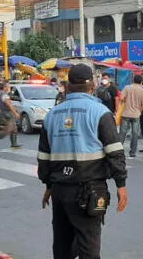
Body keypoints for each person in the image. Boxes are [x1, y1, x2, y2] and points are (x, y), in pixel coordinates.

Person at [37, 63, 128, 259]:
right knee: (89, 247)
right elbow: (115, 151)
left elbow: (44, 157)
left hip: (60, 190)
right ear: (93, 86)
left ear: (67, 86)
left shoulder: (52, 115)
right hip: (90, 190)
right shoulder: (100, 112)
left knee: (62, 246)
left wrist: (48, 185)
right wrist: (121, 185)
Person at [119, 75, 143, 158]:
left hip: (125, 114)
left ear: (133, 80)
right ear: (141, 81)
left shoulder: (127, 87)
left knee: (122, 133)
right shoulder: (142, 90)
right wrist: (139, 111)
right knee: (135, 134)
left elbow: (121, 98)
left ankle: (118, 151)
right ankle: (132, 152)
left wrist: (127, 101)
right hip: (136, 115)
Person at [0, 82, 20, 148]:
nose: (9, 88)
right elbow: (9, 105)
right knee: (6, 131)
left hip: (3, 113)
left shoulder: (0, 93)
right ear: (4, 88)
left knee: (14, 129)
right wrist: (15, 113)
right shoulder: (4, 95)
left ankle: (14, 144)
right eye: (8, 87)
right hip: (7, 114)